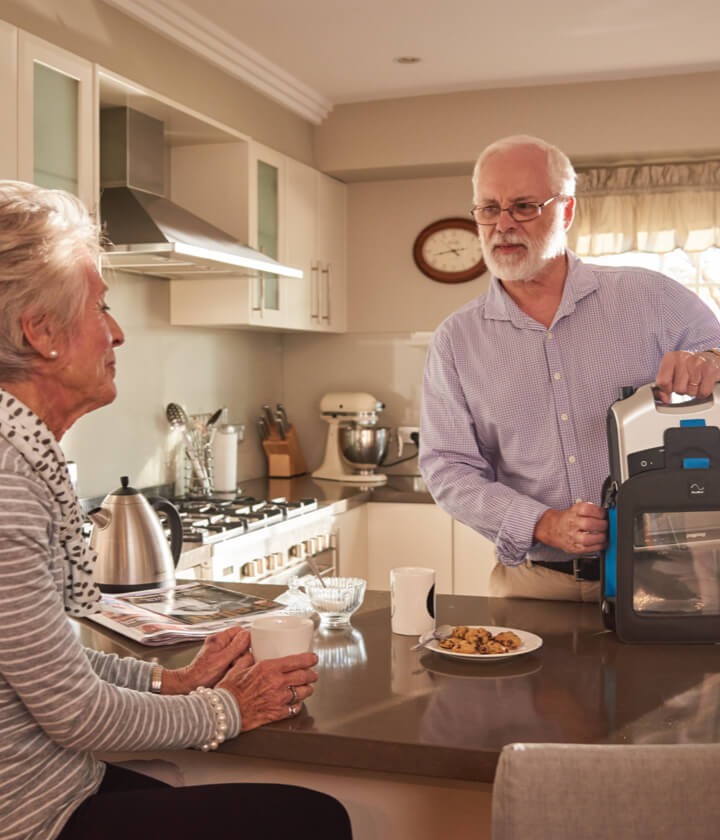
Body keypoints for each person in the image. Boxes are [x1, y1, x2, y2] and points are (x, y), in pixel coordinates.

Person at [0, 180, 352, 840]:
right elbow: (77, 712)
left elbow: (50, 665)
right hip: (37, 821)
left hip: (59, 786)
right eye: (100, 308)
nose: (118, 332)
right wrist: (224, 710)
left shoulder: (19, 454)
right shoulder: (7, 479)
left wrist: (173, 682)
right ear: (41, 331)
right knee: (315, 820)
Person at [419, 135, 720, 602]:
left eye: (523, 206)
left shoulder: (650, 297)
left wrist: (708, 363)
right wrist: (541, 523)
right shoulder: (456, 340)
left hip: (667, 577)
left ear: (567, 211)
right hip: (534, 585)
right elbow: (448, 468)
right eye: (488, 208)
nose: (503, 225)